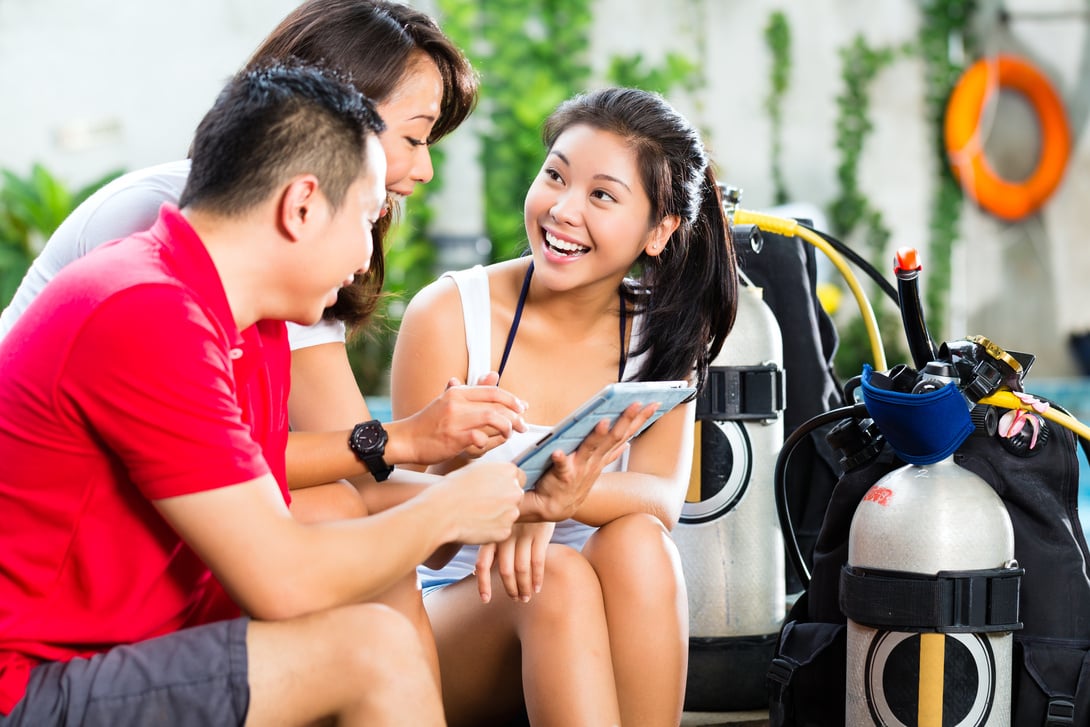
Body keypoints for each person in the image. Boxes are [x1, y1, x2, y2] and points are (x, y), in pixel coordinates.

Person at [0, 0, 531, 684]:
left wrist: (512, 494)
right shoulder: (155, 290)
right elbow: (288, 553)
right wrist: (439, 493)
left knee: (343, 532)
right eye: (415, 137)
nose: (422, 172)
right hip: (50, 642)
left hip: (138, 580)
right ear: (305, 196)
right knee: (367, 637)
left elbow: (281, 466)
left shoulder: (263, 299)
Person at [391, 86, 739, 726]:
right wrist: (495, 489)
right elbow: (419, 548)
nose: (562, 209)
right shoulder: (451, 314)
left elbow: (661, 501)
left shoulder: (659, 336)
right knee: (558, 576)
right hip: (447, 615)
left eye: (602, 195)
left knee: (638, 542)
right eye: (555, 175)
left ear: (659, 231)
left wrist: (547, 494)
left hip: (588, 621)